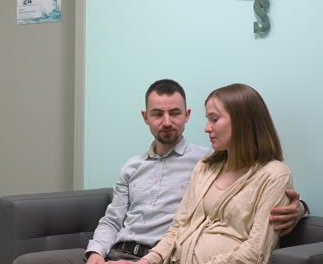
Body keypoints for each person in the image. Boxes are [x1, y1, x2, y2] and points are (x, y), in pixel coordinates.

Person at [12, 80, 306, 264]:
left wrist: (299, 208)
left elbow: (263, 199)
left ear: (186, 116)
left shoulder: (205, 160)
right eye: (157, 114)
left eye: (175, 113)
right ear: (146, 117)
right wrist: (96, 256)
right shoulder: (134, 166)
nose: (167, 122)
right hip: (122, 253)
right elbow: (113, 220)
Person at [116, 83, 295, 264]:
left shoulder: (273, 176)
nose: (207, 128)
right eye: (207, 119)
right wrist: (146, 262)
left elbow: (255, 253)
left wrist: (300, 208)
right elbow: (178, 227)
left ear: (243, 122)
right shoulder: (205, 167)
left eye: (214, 119)